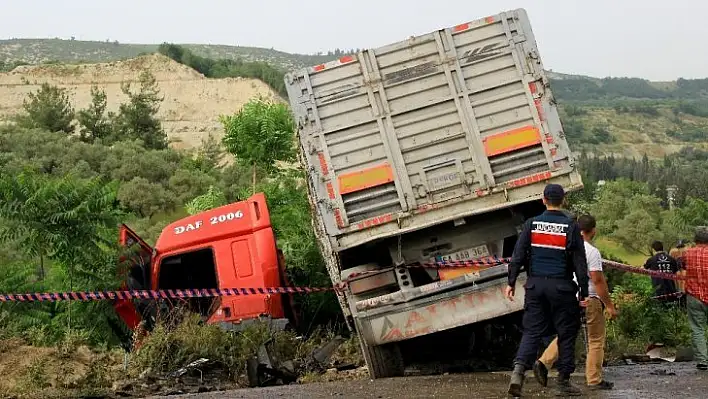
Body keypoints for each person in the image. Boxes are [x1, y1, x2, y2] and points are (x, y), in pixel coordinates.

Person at [505, 184, 589, 397]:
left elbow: (518, 256)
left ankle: (517, 373)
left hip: (535, 286)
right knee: (566, 332)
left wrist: (511, 282)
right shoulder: (570, 226)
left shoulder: (531, 224)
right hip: (561, 287)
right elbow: (580, 263)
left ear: (543, 200)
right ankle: (563, 381)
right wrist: (584, 292)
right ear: (563, 200)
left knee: (532, 331)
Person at [533, 214, 619, 391]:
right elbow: (597, 280)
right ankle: (594, 379)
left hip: (568, 297)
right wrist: (609, 305)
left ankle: (543, 362)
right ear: (593, 230)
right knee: (595, 339)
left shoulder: (564, 248)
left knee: (565, 334)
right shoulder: (592, 252)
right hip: (590, 299)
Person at [679, 227, 708, 371]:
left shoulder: (687, 253)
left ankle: (703, 361)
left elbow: (680, 265)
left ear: (695, 239)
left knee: (697, 329)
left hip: (694, 296)